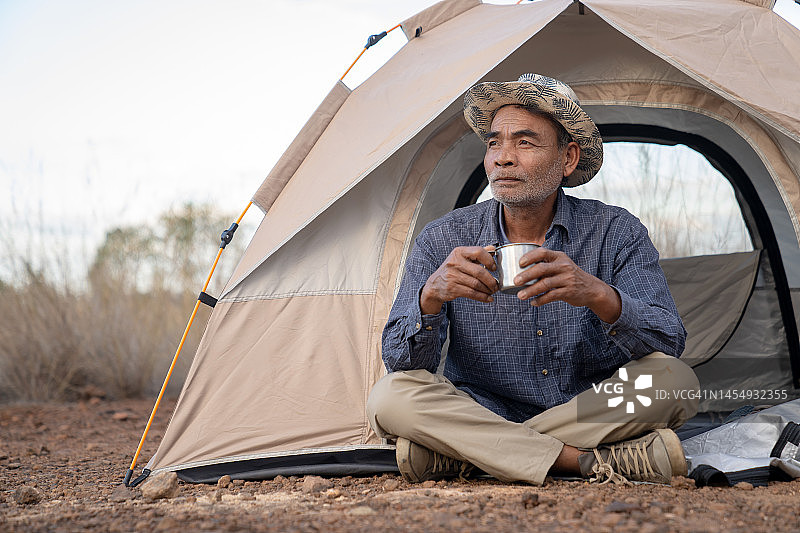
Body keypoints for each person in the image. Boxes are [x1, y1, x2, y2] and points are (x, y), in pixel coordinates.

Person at [366, 74, 700, 486]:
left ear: (568, 159)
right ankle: (584, 462)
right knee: (389, 397)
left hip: (588, 409)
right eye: (494, 143)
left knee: (675, 381)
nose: (503, 158)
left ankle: (471, 454)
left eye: (525, 142)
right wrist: (430, 297)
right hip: (482, 409)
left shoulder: (616, 230)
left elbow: (668, 342)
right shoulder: (443, 239)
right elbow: (403, 363)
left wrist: (597, 294)